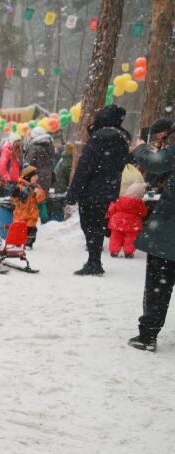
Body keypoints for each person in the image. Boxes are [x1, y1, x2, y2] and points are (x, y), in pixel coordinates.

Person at [66, 104, 132, 276]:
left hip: (92, 190)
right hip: (110, 189)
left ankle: (94, 262)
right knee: (98, 226)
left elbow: (84, 168)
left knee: (89, 225)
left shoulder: (99, 138)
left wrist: (73, 193)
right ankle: (94, 260)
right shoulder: (123, 138)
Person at [128, 118, 175, 351]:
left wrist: (140, 148)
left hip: (169, 229)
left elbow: (157, 162)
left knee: (159, 283)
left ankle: (148, 335)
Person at [106, 182, 148, 259]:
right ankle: (128, 252)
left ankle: (114, 251)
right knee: (131, 238)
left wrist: (110, 216)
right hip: (132, 224)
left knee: (115, 236)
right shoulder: (139, 202)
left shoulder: (120, 199)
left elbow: (112, 208)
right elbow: (143, 213)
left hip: (117, 222)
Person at [24, 127, 56, 222]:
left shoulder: (34, 147)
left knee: (34, 199)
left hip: (37, 176)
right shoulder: (50, 146)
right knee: (42, 199)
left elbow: (28, 164)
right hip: (47, 176)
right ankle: (44, 220)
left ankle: (37, 220)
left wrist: (25, 177)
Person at [11, 165, 45, 248]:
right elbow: (13, 200)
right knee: (19, 229)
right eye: (34, 176)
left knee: (31, 230)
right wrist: (16, 194)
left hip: (32, 214)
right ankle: (17, 243)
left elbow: (41, 199)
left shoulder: (37, 187)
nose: (37, 178)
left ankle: (28, 244)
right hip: (20, 214)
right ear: (28, 177)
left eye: (37, 176)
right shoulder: (19, 186)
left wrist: (38, 193)